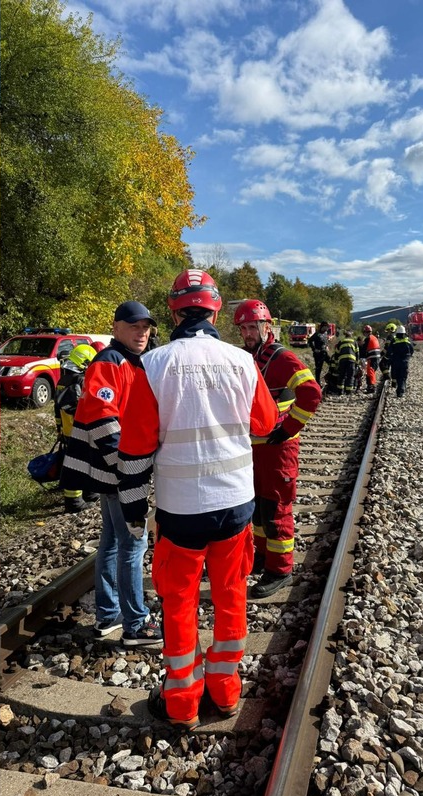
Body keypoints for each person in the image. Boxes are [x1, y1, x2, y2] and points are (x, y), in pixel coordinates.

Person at [117, 269, 278, 730]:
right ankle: (226, 693)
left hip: (182, 509)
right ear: (214, 308)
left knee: (180, 603)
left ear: (173, 309)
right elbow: (266, 425)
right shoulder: (242, 361)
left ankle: (182, 703)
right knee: (231, 597)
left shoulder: (151, 365)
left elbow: (134, 449)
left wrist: (134, 512)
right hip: (235, 506)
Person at [60, 301, 162, 647]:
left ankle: (108, 615)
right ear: (116, 327)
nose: (142, 332)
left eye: (146, 327)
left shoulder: (134, 361)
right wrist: (127, 466)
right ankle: (136, 624)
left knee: (113, 539)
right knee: (134, 541)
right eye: (134, 326)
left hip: (114, 471)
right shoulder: (110, 361)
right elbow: (103, 419)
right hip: (120, 473)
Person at [234, 300, 322, 598]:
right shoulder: (249, 356)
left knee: (275, 509)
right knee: (257, 508)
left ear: (267, 326)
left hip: (278, 449)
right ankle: (262, 557)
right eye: (243, 327)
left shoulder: (282, 358)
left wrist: (288, 429)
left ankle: (280, 569)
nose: (247, 333)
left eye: (252, 326)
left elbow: (311, 394)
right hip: (254, 449)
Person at [54, 343, 98, 513]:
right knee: (77, 466)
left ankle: (89, 492)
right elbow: (80, 407)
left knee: (80, 462)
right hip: (80, 430)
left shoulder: (62, 380)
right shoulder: (78, 380)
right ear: (84, 362)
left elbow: (57, 409)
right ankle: (74, 502)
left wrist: (59, 428)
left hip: (68, 430)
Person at [387, 325, 415, 398]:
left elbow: (389, 351)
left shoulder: (394, 340)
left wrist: (389, 358)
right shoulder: (408, 340)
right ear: (404, 333)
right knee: (402, 377)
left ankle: (396, 386)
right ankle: (401, 390)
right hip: (404, 362)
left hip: (395, 362)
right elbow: (412, 350)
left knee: (396, 375)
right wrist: (408, 357)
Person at [335, 329, 358, 396]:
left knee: (342, 375)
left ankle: (340, 391)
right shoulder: (354, 342)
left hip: (342, 361)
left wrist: (336, 363)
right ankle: (348, 391)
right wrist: (357, 362)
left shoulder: (341, 341)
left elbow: (336, 353)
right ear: (351, 335)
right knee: (350, 376)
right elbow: (357, 353)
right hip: (351, 360)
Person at [359, 325, 381, 390]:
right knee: (371, 371)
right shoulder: (374, 338)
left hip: (372, 358)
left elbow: (363, 349)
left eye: (364, 332)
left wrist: (359, 353)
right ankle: (370, 386)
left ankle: (371, 387)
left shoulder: (368, 339)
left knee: (370, 371)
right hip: (376, 357)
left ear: (366, 332)